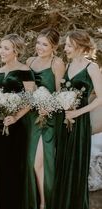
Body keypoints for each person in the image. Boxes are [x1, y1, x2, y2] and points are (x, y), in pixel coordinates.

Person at [52, 30, 102, 209]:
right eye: (65, 45)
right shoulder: (67, 65)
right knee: (62, 162)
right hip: (64, 120)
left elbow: (100, 98)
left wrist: (77, 113)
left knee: (75, 164)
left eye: (68, 45)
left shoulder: (92, 67)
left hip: (79, 122)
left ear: (80, 47)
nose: (65, 48)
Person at [0, 34, 35, 209]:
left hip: (17, 127)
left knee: (15, 167)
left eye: (6, 48)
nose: (1, 51)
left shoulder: (25, 71)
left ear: (16, 50)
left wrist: (16, 116)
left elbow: (31, 100)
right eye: (1, 47)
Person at [24, 28, 65, 209]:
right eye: (38, 43)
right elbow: (26, 91)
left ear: (54, 46)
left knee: (40, 162)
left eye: (45, 44)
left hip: (48, 119)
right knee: (29, 161)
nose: (39, 47)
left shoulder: (57, 63)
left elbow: (60, 94)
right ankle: (36, 200)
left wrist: (48, 107)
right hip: (30, 117)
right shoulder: (30, 61)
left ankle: (44, 203)